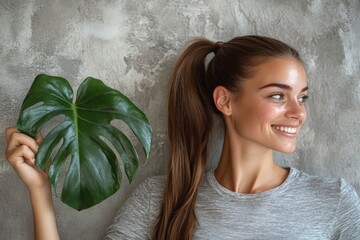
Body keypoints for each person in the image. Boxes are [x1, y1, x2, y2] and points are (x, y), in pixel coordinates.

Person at [5, 35, 360, 240]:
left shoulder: (334, 202)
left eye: (303, 97)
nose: (299, 113)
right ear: (225, 100)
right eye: (278, 96)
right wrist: (39, 191)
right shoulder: (162, 200)